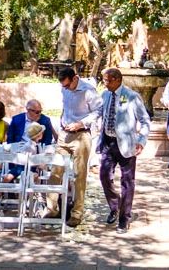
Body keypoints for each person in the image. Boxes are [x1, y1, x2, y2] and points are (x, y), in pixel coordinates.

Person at [43, 66, 102, 227]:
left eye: (68, 85)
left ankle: (76, 213)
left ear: (75, 78)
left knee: (79, 175)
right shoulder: (64, 89)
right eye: (63, 86)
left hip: (81, 135)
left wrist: (81, 123)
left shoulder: (88, 91)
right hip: (64, 134)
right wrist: (63, 120)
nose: (65, 88)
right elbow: (65, 106)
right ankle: (52, 208)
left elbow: (99, 110)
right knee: (55, 171)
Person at [97, 68, 150, 233]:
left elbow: (145, 120)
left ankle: (124, 218)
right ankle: (115, 206)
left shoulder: (132, 96)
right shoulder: (105, 95)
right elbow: (99, 113)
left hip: (127, 145)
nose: (104, 84)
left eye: (106, 80)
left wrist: (141, 140)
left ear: (116, 80)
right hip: (108, 142)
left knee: (127, 182)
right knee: (104, 176)